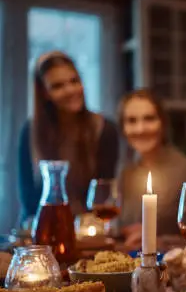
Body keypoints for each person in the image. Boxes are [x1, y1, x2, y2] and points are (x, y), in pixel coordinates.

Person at [18, 51, 119, 223]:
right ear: (44, 93)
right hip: (41, 226)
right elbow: (29, 199)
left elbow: (103, 193)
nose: (70, 90)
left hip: (86, 228)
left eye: (74, 81)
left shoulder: (103, 128)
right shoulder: (31, 130)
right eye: (57, 86)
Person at [116, 89, 186, 251]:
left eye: (149, 119)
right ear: (123, 128)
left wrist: (159, 242)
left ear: (163, 123)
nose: (140, 129)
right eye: (131, 121)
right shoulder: (126, 172)